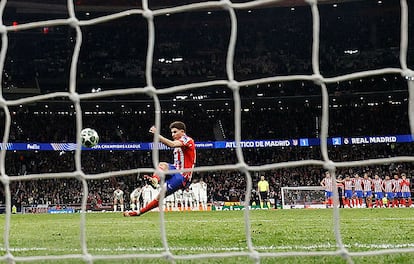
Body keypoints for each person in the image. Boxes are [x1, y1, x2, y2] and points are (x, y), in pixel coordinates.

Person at [124, 121, 196, 217]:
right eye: (172, 132)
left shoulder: (188, 140)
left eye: (175, 132)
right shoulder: (179, 144)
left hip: (182, 176)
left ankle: (139, 212)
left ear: (182, 132)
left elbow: (172, 144)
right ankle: (155, 180)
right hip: (175, 169)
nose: (173, 134)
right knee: (162, 164)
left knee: (161, 195)